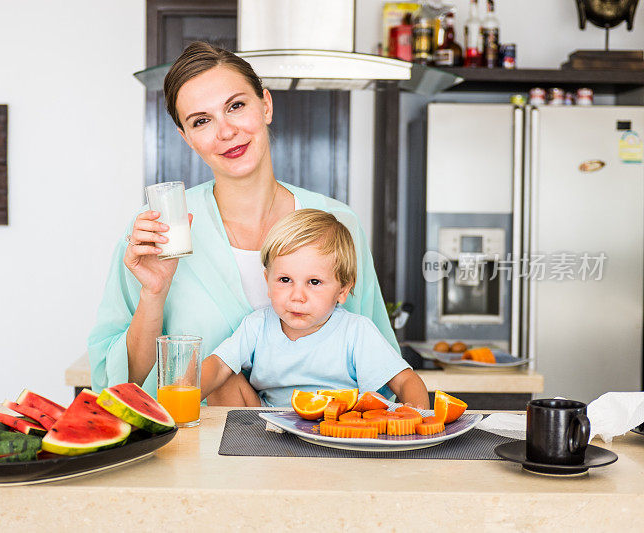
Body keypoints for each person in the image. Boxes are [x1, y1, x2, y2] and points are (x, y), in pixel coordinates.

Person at [88, 41, 403, 405]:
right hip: (197, 456)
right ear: (186, 138)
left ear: (265, 105)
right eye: (201, 121)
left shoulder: (339, 223)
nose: (226, 132)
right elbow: (124, 385)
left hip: (323, 449)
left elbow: (381, 375)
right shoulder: (158, 231)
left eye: (236, 106)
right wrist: (154, 294)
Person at [200, 209, 429, 408]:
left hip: (338, 425)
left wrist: (419, 420)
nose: (297, 296)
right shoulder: (257, 325)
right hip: (267, 426)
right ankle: (236, 449)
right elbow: (218, 366)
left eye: (314, 282)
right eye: (285, 280)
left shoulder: (356, 331)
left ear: (342, 291)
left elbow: (406, 381)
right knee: (225, 376)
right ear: (267, 281)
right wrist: (178, 404)